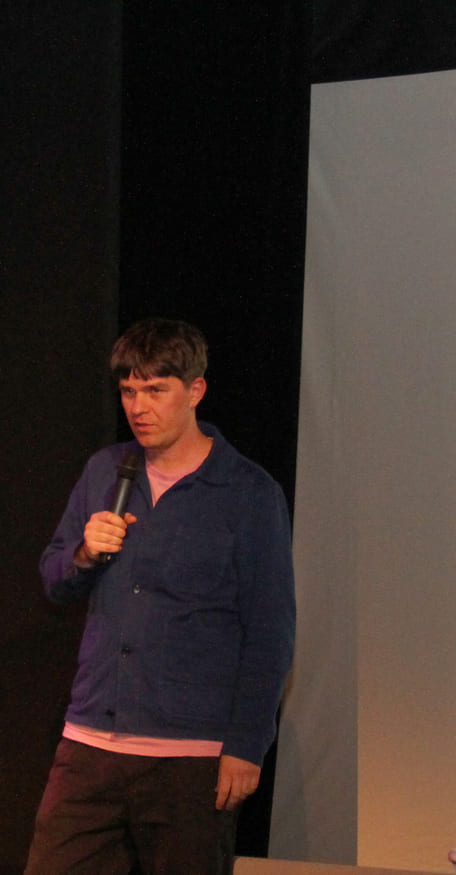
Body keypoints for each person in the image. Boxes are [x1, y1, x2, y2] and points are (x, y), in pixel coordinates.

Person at [27, 318, 296, 874]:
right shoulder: (105, 470)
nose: (138, 406)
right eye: (128, 390)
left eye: (155, 390)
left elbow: (269, 631)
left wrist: (246, 745)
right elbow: (54, 579)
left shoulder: (248, 494)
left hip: (188, 759)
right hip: (90, 747)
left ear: (194, 390)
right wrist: (82, 554)